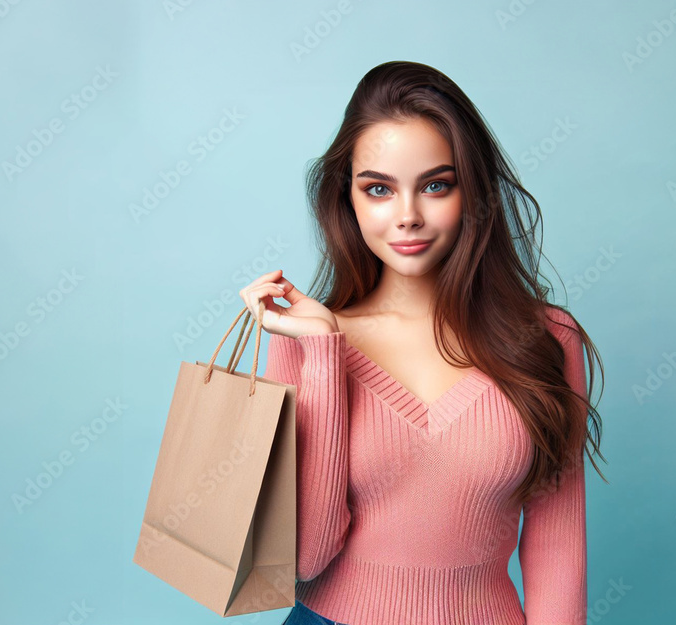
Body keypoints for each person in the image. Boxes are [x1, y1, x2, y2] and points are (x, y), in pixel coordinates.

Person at [239, 60, 606, 625]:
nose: (407, 216)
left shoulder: (548, 339)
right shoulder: (306, 343)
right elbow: (306, 558)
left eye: (436, 185)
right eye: (379, 189)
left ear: (472, 192)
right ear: (349, 199)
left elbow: (557, 546)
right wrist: (324, 355)